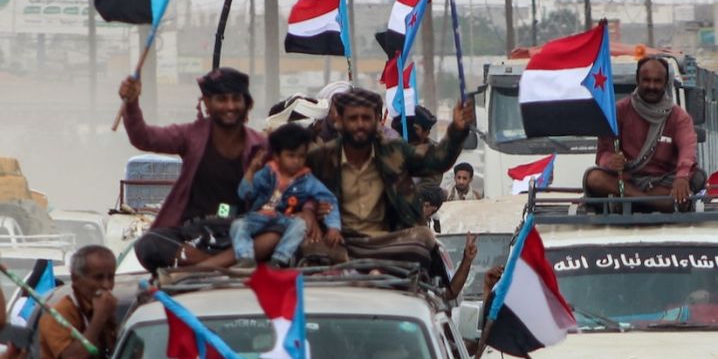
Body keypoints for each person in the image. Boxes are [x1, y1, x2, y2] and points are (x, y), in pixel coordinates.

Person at [120, 69, 270, 272]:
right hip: (194, 235)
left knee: (277, 234)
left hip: (242, 232)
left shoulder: (261, 146)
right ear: (207, 103)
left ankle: (201, 269)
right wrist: (131, 103)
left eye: (236, 99)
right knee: (150, 243)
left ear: (247, 104)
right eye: (222, 100)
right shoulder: (190, 136)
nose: (230, 106)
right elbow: (143, 137)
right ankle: (223, 265)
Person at [306, 88, 471, 247]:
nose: (360, 124)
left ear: (376, 121)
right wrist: (308, 213)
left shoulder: (393, 152)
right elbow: (296, 191)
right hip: (338, 242)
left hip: (389, 242)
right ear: (340, 121)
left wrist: (457, 130)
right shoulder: (321, 158)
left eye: (366, 118)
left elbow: (437, 161)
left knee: (424, 237)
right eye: (353, 118)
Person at [584, 57, 700, 210]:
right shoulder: (618, 111)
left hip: (662, 181)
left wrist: (682, 177)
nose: (651, 86)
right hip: (628, 181)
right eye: (646, 80)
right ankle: (655, 202)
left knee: (698, 177)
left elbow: (688, 150)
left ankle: (634, 201)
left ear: (665, 83)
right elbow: (602, 154)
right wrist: (611, 161)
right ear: (637, 80)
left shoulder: (679, 117)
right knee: (594, 178)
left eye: (657, 81)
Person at [232, 123, 339, 269]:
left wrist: (333, 227)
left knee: (300, 225)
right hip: (259, 217)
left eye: (301, 156)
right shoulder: (267, 172)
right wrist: (251, 172)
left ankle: (279, 259)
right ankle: (245, 258)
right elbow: (245, 194)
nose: (296, 161)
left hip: (285, 219)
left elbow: (328, 198)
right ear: (277, 155)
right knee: (238, 225)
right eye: (291, 155)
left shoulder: (307, 179)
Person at [39, 245, 119, 359]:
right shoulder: (60, 314)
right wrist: (99, 318)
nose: (107, 285)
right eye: (98, 278)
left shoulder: (104, 309)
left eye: (111, 277)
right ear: (76, 278)